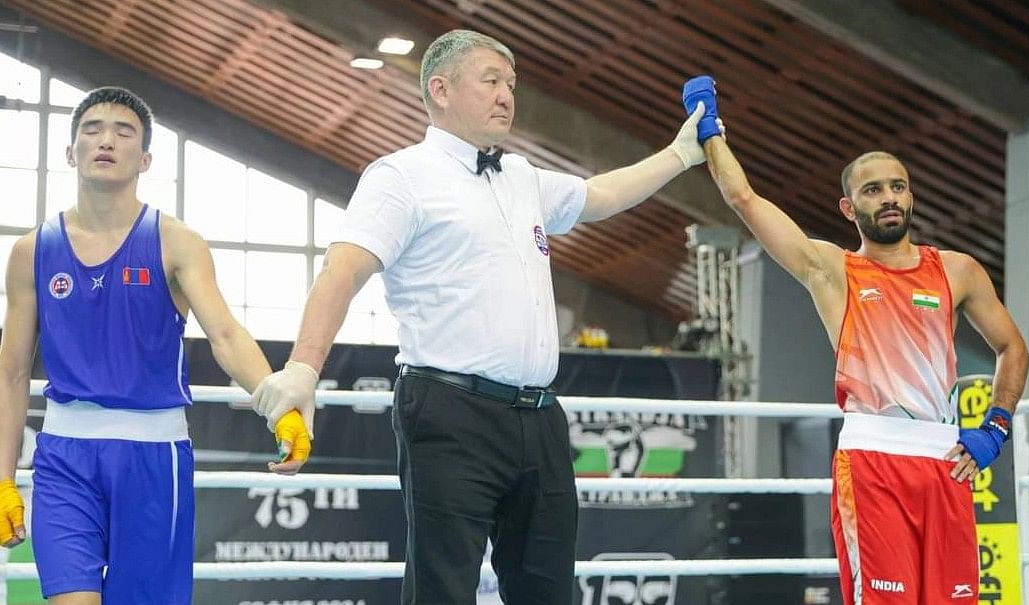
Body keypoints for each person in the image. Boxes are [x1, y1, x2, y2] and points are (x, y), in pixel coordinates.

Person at [250, 29, 708, 604]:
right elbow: (342, 271)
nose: (506, 96)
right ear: (440, 89)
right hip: (448, 411)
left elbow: (600, 196)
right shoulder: (400, 176)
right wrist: (302, 369)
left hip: (539, 416)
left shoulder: (520, 176)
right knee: (443, 589)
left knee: (546, 591)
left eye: (510, 85)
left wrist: (681, 153)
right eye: (491, 81)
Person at [683, 76, 1029, 604]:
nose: (888, 197)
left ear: (910, 195)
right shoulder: (833, 271)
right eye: (872, 190)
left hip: (947, 459)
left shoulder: (958, 271)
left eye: (897, 186)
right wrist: (709, 131)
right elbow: (743, 198)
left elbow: (1013, 348)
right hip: (873, 460)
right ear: (850, 208)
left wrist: (997, 426)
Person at [0, 87, 310, 605]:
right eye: (92, 129)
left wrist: (279, 408)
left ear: (145, 159)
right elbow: (10, 372)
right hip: (62, 459)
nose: (106, 141)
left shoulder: (177, 242)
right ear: (70, 152)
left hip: (153, 458)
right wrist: (2, 479)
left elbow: (226, 335)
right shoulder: (32, 251)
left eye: (123, 133)